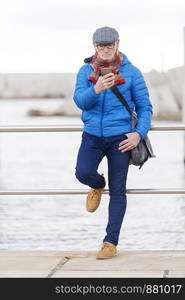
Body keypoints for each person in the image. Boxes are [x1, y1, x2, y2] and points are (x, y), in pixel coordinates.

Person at [73, 26, 153, 259]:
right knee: (82, 172)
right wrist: (96, 89)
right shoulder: (84, 71)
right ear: (94, 47)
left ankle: (110, 242)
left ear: (118, 43)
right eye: (101, 46)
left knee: (118, 191)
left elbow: (145, 107)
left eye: (109, 45)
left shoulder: (133, 72)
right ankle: (97, 184)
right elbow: (80, 101)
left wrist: (138, 133)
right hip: (92, 135)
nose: (105, 50)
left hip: (121, 138)